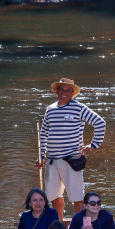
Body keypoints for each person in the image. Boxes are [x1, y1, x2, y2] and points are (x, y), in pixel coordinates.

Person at [37, 78, 106, 220]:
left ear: (73, 93)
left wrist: (93, 145)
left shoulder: (79, 108)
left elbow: (100, 123)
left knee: (77, 198)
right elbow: (43, 132)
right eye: (61, 89)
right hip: (52, 160)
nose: (64, 93)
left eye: (68, 90)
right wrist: (42, 154)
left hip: (72, 160)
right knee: (53, 196)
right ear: (57, 91)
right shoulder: (50, 110)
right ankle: (58, 226)